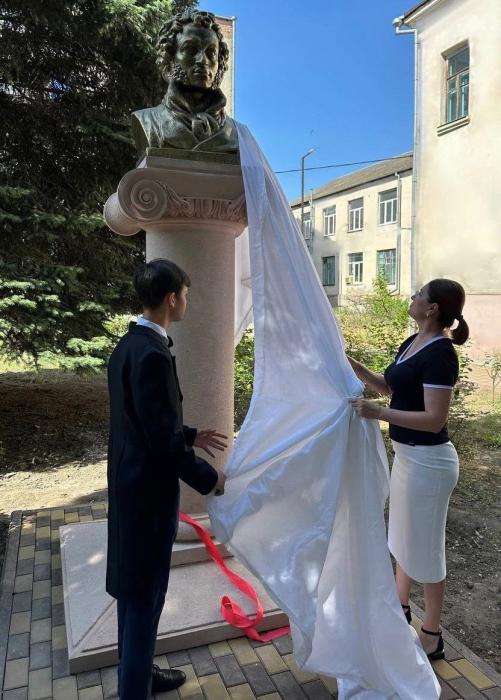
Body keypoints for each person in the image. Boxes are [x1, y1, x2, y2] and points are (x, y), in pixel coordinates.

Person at [106, 258, 227, 699]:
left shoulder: (129, 345)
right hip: (148, 494)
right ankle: (134, 688)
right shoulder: (153, 354)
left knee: (134, 589)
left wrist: (190, 433)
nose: (188, 302)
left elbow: (140, 418)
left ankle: (137, 673)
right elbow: (162, 443)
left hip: (128, 485)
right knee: (145, 594)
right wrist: (211, 479)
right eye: (187, 295)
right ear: (172, 298)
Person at [350, 278, 469, 661]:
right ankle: (399, 611)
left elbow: (434, 419)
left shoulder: (441, 354)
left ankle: (431, 635)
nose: (413, 297)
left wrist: (378, 414)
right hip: (408, 459)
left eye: (419, 294)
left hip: (429, 464)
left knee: (427, 550)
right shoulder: (413, 342)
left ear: (432, 308)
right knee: (400, 538)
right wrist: (356, 367)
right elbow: (390, 387)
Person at [131, 10, 238, 156]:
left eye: (211, 53)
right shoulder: (148, 121)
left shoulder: (237, 134)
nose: (203, 60)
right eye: (190, 49)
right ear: (170, 57)